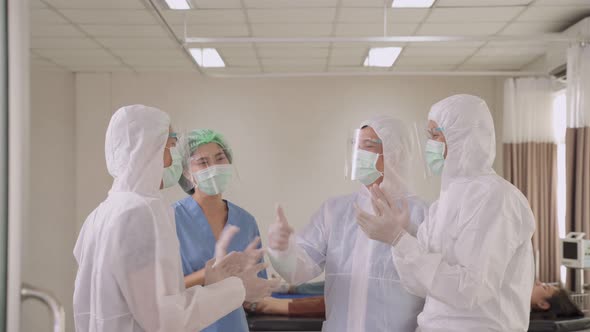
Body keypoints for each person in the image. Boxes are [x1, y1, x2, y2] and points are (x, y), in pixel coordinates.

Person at [73, 105, 275, 332]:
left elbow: (146, 301)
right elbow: (166, 318)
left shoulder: (102, 213)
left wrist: (215, 283)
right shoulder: (141, 213)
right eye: (170, 147)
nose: (174, 159)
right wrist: (236, 288)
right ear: (149, 150)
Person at [356, 94, 536, 331]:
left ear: (462, 136)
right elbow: (417, 284)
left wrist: (398, 239)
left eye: (435, 134)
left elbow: (470, 290)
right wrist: (401, 237)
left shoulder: (497, 198)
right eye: (428, 136)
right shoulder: (443, 204)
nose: (430, 144)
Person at [267, 116, 428, 331]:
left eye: (368, 146)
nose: (358, 154)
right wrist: (282, 250)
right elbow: (299, 270)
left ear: (394, 153)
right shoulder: (335, 211)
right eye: (356, 146)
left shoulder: (423, 214)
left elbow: (432, 283)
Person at [173, 129, 267, 332]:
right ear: (187, 173)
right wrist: (207, 275)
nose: (214, 167)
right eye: (203, 162)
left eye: (219, 158)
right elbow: (160, 291)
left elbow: (255, 289)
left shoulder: (246, 221)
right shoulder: (170, 219)